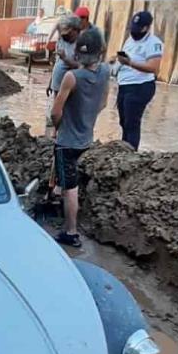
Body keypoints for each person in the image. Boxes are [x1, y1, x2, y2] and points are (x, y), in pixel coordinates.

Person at [50, 29, 110, 248]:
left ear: (76, 52)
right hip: (86, 138)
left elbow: (55, 112)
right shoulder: (105, 71)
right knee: (66, 181)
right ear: (100, 51)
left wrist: (59, 128)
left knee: (71, 187)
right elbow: (103, 103)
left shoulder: (71, 77)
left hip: (67, 142)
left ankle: (71, 231)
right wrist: (86, 117)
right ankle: (56, 194)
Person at [115, 11, 163, 150]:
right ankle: (124, 149)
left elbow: (153, 67)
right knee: (124, 121)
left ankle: (131, 152)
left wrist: (129, 63)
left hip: (140, 86)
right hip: (124, 85)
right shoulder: (129, 40)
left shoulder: (154, 43)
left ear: (146, 28)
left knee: (132, 122)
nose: (134, 31)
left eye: (138, 28)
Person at [47, 14, 82, 98]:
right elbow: (57, 63)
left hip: (69, 90)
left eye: (68, 32)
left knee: (65, 110)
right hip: (56, 86)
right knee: (55, 110)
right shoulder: (62, 40)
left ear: (76, 30)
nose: (66, 35)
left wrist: (65, 58)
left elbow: (81, 66)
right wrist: (50, 83)